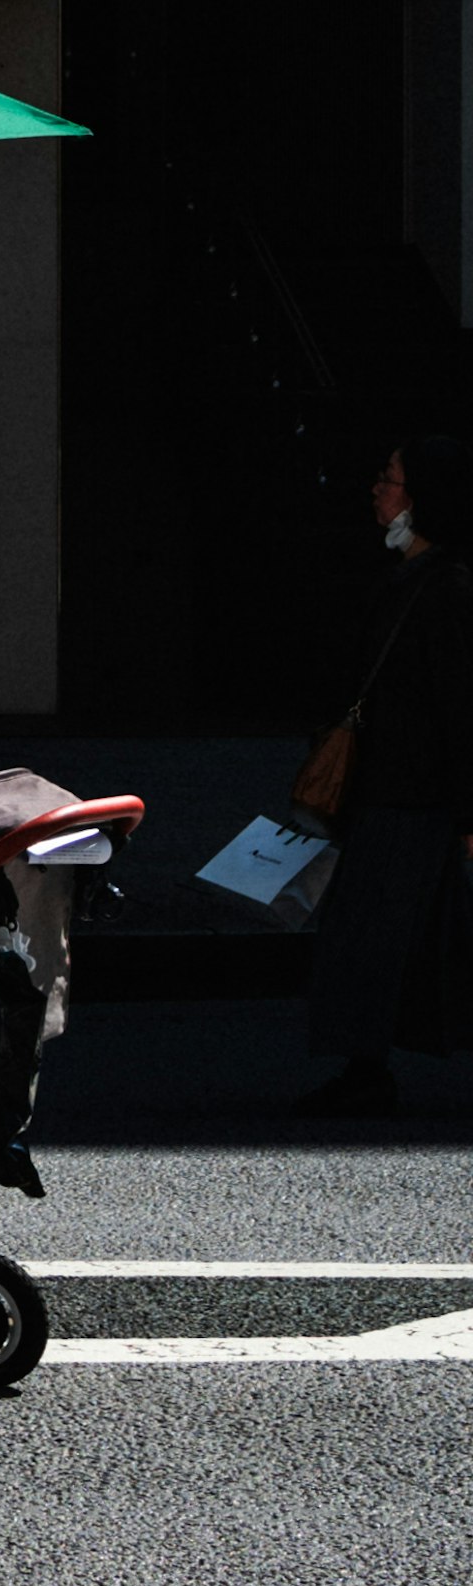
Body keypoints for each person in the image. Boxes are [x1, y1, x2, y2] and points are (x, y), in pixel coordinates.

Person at [298, 425, 473, 1125]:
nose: (379, 489)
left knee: (378, 938)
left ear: (422, 496)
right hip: (393, 792)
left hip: (414, 798)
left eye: (392, 479)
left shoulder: (446, 586)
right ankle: (365, 1064)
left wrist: (467, 816)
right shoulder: (415, 577)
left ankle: (366, 1068)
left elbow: (460, 709)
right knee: (386, 939)